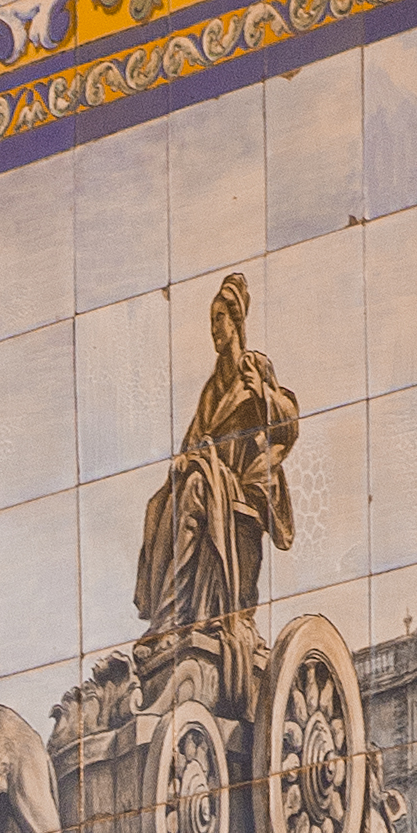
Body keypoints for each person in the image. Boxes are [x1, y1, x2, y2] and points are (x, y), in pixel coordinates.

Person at [133, 270, 303, 666]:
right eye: (210, 321)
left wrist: (261, 391)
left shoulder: (254, 366)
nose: (214, 330)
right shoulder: (211, 388)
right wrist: (185, 458)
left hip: (244, 484)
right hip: (213, 480)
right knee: (160, 503)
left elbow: (289, 424)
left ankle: (170, 618)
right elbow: (194, 440)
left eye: (219, 320)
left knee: (193, 491)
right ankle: (168, 614)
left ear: (236, 321)